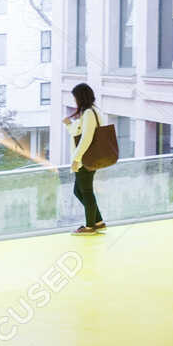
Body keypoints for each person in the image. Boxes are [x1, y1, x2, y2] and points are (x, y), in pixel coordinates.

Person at [67, 82, 107, 235]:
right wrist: (69, 124)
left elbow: (86, 138)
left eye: (75, 98)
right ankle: (98, 221)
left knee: (86, 192)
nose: (75, 101)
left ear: (80, 97)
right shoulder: (91, 112)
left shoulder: (89, 113)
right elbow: (80, 132)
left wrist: (76, 158)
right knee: (79, 190)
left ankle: (90, 226)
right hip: (88, 158)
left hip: (86, 159)